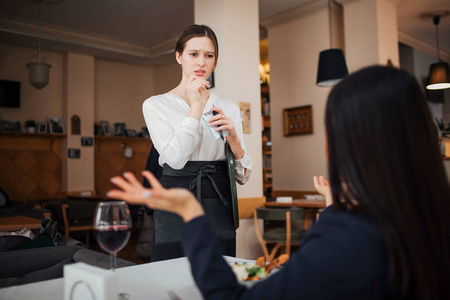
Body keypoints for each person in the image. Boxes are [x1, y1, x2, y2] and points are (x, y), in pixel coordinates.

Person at [108, 66, 450, 299]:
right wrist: (334, 206)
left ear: (345, 142)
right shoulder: (427, 223)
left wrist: (190, 211)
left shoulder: (350, 240)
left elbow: (231, 297)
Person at [141, 24, 252, 261]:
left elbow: (242, 176)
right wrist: (197, 106)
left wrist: (234, 141)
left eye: (209, 55)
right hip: (175, 198)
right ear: (179, 57)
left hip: (218, 198)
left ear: (215, 61)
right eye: (194, 54)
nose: (201, 62)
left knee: (219, 271)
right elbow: (175, 159)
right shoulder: (156, 105)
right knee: (170, 273)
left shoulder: (229, 108)